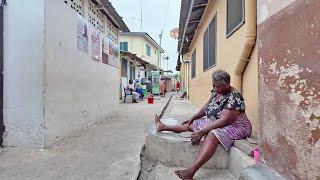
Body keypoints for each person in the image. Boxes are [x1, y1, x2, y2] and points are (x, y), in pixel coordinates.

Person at [154, 70, 252, 179]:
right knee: (192, 124)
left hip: (236, 126)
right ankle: (163, 127)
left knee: (212, 134)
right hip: (218, 121)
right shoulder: (216, 92)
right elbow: (207, 107)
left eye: (217, 86)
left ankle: (192, 170)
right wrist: (194, 117)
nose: (215, 89)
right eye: (213, 85)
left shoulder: (234, 97)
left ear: (227, 85)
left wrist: (203, 131)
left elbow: (225, 121)